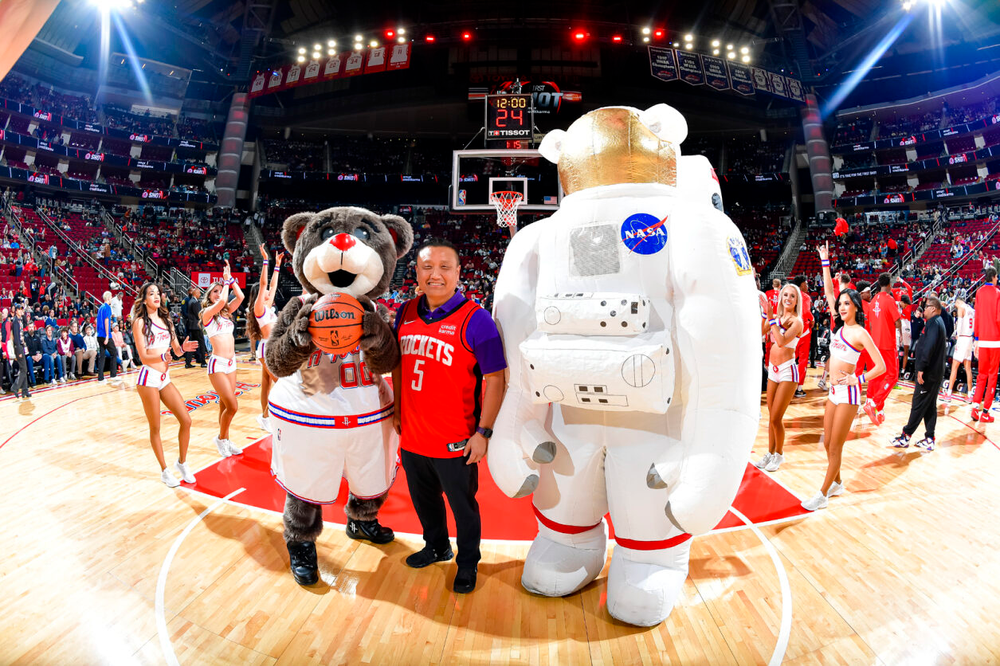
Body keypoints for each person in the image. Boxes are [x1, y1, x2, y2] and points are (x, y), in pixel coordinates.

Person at [392, 239, 508, 594]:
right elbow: (397, 364)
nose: (435, 274)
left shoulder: (478, 320)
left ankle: (468, 562)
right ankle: (436, 545)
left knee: (463, 507)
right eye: (427, 267)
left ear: (459, 273)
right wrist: (397, 408)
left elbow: (496, 378)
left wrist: (484, 433)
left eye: (445, 267)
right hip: (412, 436)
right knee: (423, 501)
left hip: (456, 439)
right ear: (417, 273)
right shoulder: (405, 311)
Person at [804, 243, 886, 512]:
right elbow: (829, 292)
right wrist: (825, 262)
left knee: (836, 446)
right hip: (833, 393)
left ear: (855, 307)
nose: (840, 307)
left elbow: (881, 366)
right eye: (840, 305)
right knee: (827, 442)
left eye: (846, 304)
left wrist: (859, 380)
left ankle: (822, 494)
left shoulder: (860, 333)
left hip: (849, 395)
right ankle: (836, 482)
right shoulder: (839, 327)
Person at [131, 282, 199, 487]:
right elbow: (143, 357)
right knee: (156, 427)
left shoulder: (167, 318)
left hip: (164, 378)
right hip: (148, 378)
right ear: (144, 299)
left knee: (186, 420)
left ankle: (182, 463)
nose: (156, 296)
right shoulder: (139, 322)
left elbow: (175, 350)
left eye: (158, 293)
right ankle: (164, 470)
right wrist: (162, 355)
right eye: (151, 294)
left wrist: (183, 349)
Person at [756, 284, 804, 473]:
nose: (788, 298)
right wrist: (766, 316)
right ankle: (770, 452)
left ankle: (779, 454)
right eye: (785, 295)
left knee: (776, 417)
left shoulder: (797, 321)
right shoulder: (778, 318)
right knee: (771, 417)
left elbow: (782, 341)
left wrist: (772, 319)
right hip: (773, 370)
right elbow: (761, 332)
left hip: (787, 371)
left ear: (796, 300)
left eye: (792, 296)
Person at [201, 261, 245, 458]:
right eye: (215, 292)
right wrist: (226, 283)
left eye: (220, 291)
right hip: (217, 364)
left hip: (231, 363)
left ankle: (225, 439)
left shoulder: (226, 313)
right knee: (232, 406)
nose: (219, 294)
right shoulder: (207, 313)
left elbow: (241, 296)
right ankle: (221, 439)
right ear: (209, 297)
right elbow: (221, 302)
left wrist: (232, 280)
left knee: (224, 405)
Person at [891, 297, 947, 450]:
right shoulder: (936, 323)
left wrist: (921, 368)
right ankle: (929, 438)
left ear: (933, 309)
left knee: (918, 404)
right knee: (929, 406)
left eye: (926, 306)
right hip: (934, 372)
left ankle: (906, 436)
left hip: (929, 373)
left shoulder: (934, 323)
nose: (924, 309)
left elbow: (929, 347)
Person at [245, 244, 283, 431]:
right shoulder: (258, 310)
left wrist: (277, 265)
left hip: (272, 347)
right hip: (266, 348)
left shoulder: (267, 307)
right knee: (281, 382)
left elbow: (273, 285)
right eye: (265, 293)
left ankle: (265, 417)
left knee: (267, 383)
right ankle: (273, 416)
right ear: (258, 296)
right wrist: (266, 261)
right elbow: (264, 285)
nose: (269, 293)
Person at [863, 273, 902, 426]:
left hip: (875, 343)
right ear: (890, 284)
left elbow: (871, 325)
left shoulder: (872, 301)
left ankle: (877, 407)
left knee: (877, 376)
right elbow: (898, 323)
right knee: (892, 377)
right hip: (887, 344)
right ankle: (873, 404)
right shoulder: (890, 300)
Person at [971, 266, 1000, 423]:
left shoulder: (979, 292)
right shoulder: (997, 293)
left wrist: (976, 338)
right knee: (992, 375)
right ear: (994, 277)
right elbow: (998, 319)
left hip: (981, 339)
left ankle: (975, 407)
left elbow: (977, 316)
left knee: (981, 374)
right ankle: (986, 412)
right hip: (995, 340)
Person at [946, 295, 974, 402]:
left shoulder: (961, 308)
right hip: (969, 339)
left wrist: (957, 334)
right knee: (968, 368)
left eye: (955, 304)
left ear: (958, 302)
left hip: (962, 338)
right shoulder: (971, 309)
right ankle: (970, 395)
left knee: (954, 367)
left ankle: (948, 394)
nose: (955, 306)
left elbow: (960, 324)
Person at [791, 275, 813, 398]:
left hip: (790, 329)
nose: (807, 285)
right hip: (803, 330)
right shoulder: (804, 296)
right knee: (803, 360)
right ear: (801, 285)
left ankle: (784, 383)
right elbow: (805, 312)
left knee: (790, 358)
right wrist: (812, 318)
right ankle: (798, 388)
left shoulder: (790, 294)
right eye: (805, 283)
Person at [95, 290, 120, 384]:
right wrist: (106, 336)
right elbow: (106, 321)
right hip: (106, 335)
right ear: (108, 298)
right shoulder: (107, 307)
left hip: (99, 335)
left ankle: (100, 378)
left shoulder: (100, 307)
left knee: (102, 356)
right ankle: (113, 375)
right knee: (113, 353)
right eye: (111, 297)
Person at [9, 302, 30, 400]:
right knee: (23, 369)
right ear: (16, 311)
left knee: (24, 369)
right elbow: (16, 338)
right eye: (20, 309)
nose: (21, 310)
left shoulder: (20, 320)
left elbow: (26, 324)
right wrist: (18, 351)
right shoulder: (15, 322)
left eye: (22, 309)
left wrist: (24, 312)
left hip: (22, 346)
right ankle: (15, 387)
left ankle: (25, 391)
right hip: (19, 347)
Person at [182, 286, 207, 368]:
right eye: (199, 293)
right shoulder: (195, 302)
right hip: (196, 326)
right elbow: (198, 315)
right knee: (201, 343)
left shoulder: (190, 301)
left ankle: (188, 363)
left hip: (191, 326)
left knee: (191, 344)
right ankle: (203, 362)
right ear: (196, 293)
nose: (200, 294)